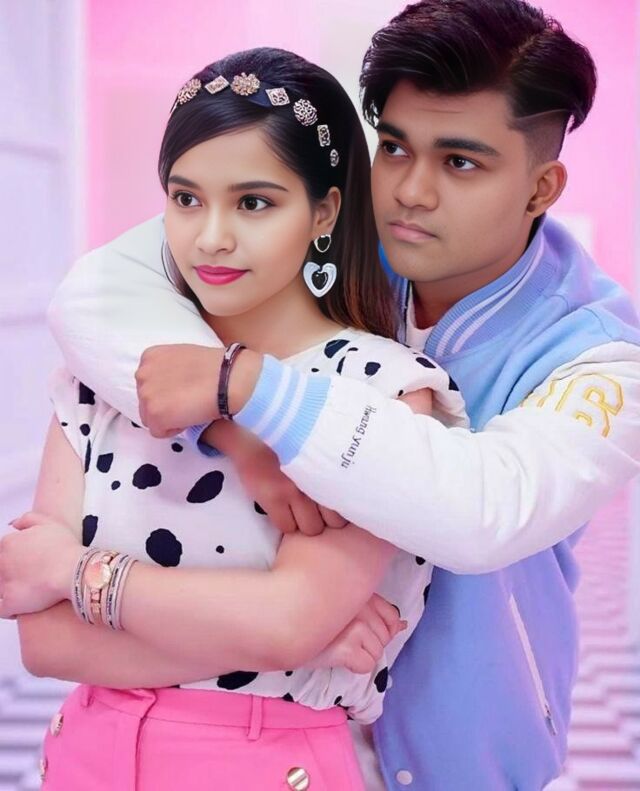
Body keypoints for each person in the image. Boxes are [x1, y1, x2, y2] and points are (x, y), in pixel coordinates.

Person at [16, 0, 640, 788]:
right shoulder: (309, 238)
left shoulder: (600, 356)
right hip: (291, 739)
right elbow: (95, 291)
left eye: (460, 162)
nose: (411, 191)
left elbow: (482, 510)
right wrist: (236, 429)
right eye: (395, 147)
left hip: (463, 757)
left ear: (541, 186)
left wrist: (250, 391)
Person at [0, 46, 468, 791]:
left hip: (265, 766)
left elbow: (286, 622)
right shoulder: (108, 373)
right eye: (186, 199)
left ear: (324, 211)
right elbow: (45, 643)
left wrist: (71, 570)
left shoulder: (376, 391)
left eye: (253, 203)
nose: (211, 236)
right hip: (84, 759)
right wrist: (289, 643)